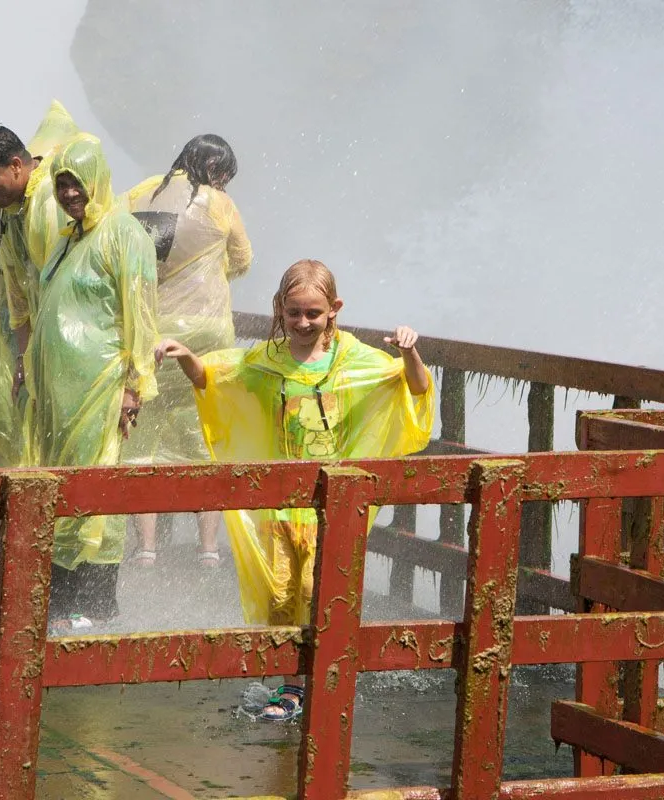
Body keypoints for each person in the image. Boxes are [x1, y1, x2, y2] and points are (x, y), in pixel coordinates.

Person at [155, 259, 434, 720]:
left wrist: (410, 351)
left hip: (334, 504)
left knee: (320, 589)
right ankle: (292, 687)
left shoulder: (354, 360)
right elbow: (214, 379)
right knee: (283, 595)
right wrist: (186, 355)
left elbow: (415, 389)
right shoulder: (266, 361)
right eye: (294, 314)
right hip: (282, 504)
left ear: (334, 309)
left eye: (313, 314)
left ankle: (322, 677)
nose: (303, 323)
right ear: (280, 310)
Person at [23, 134, 159, 632]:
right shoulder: (66, 239)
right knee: (61, 490)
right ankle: (59, 600)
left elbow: (140, 315)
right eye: (61, 185)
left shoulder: (125, 234)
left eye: (76, 184)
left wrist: (134, 384)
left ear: (97, 180)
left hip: (101, 388)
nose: (69, 194)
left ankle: (95, 604)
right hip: (60, 393)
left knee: (97, 491)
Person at [122, 134, 253, 567]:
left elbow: (123, 254)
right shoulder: (219, 203)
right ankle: (209, 550)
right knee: (204, 432)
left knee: (144, 434)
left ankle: (145, 548)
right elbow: (243, 259)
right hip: (207, 333)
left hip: (151, 330)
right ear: (217, 172)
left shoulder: (140, 193)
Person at [0, 101, 79, 467]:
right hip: (38, 344)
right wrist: (25, 357)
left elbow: (65, 288)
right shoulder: (6, 208)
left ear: (17, 165)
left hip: (69, 342)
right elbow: (18, 292)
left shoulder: (50, 203)